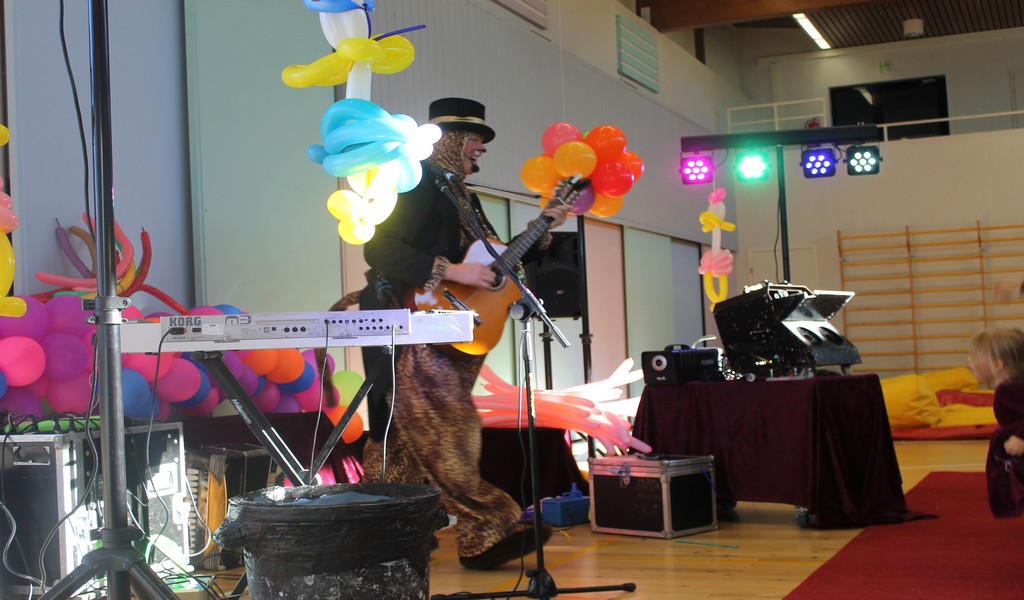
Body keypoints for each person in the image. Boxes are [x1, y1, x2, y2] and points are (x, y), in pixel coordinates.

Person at [358, 97, 572, 570]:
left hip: (451, 327)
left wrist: (544, 230)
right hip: (414, 324)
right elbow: (379, 247)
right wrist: (452, 269)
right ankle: (487, 527)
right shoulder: (415, 186)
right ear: (451, 141)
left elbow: (493, 262)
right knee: (445, 427)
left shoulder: (461, 196)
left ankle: (393, 534)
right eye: (475, 139)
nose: (481, 148)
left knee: (403, 435)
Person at [967, 327, 1024, 518]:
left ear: (998, 364)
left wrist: (1021, 437)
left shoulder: (1011, 389)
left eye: (975, 357)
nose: (970, 361)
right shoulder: (1011, 386)